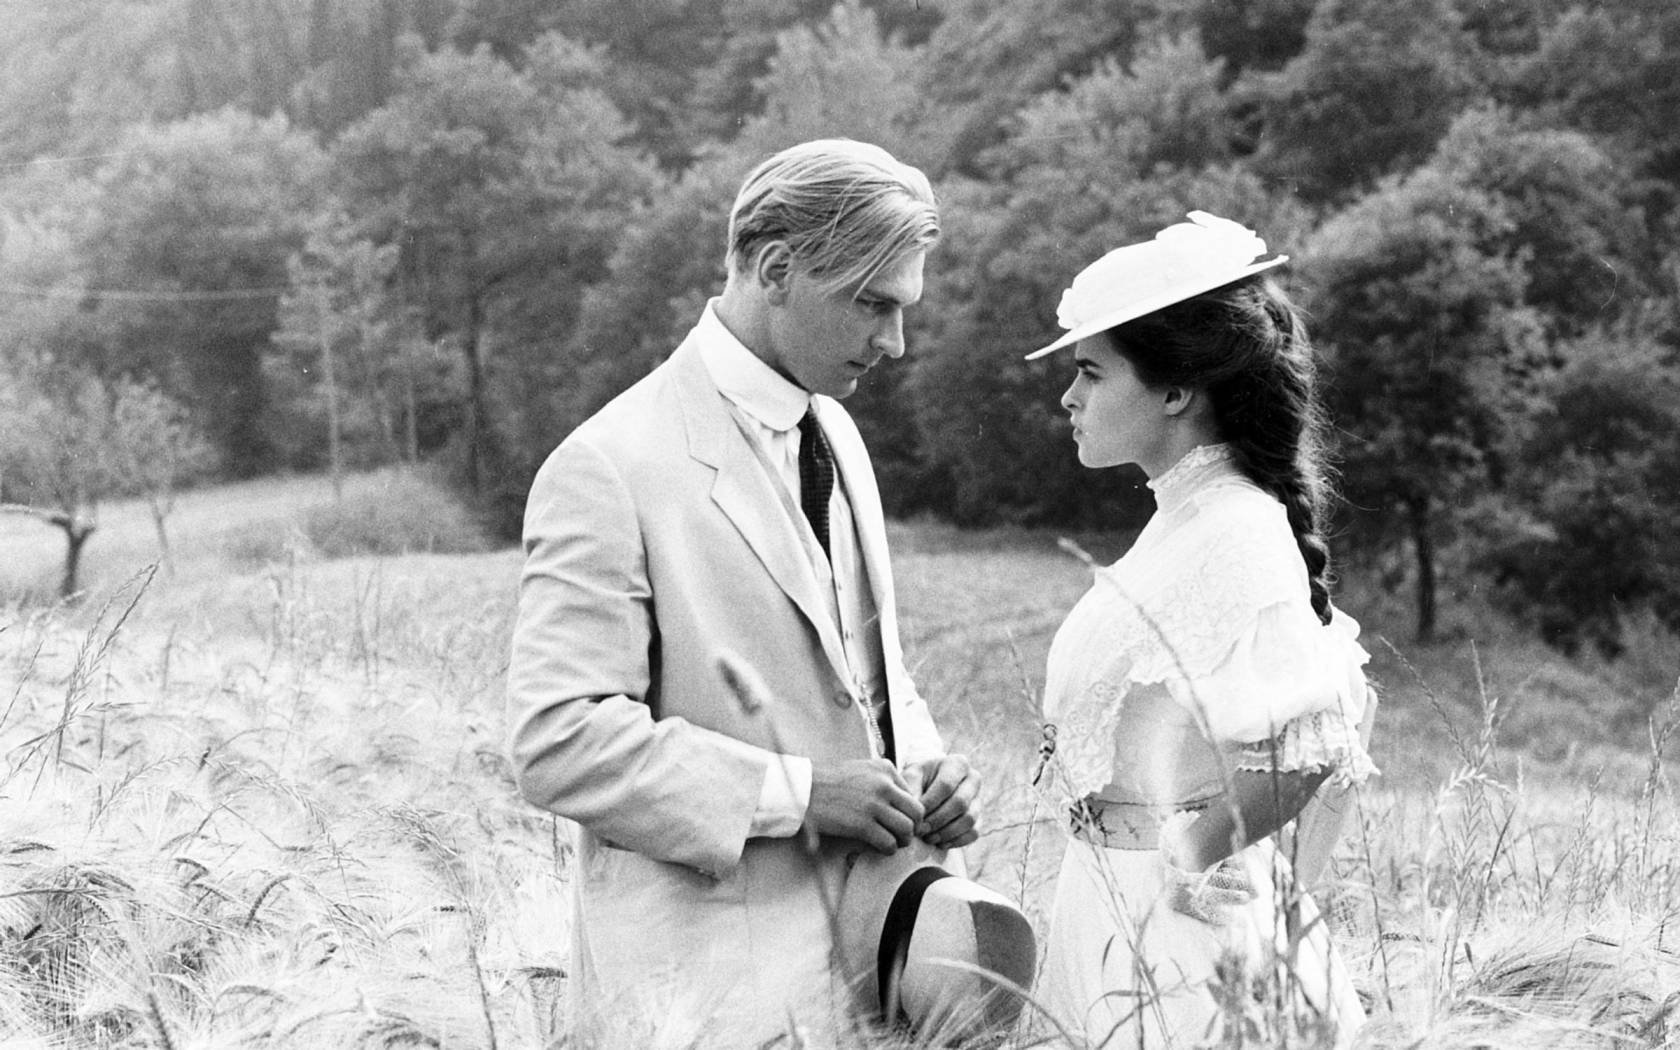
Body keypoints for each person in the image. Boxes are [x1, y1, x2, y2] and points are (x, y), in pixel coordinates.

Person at [505, 139, 982, 1041]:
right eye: (872, 305)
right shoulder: (607, 464)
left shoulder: (837, 434)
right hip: (701, 1000)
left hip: (868, 963)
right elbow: (556, 739)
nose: (896, 342)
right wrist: (799, 795)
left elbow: (867, 676)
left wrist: (926, 766)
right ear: (775, 269)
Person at [1026, 212, 1376, 1048]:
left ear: (1177, 391)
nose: (1069, 398)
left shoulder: (1236, 529)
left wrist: (1194, 849)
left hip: (1180, 933)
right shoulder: (1185, 518)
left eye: (1090, 373)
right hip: (1109, 902)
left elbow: (1313, 740)